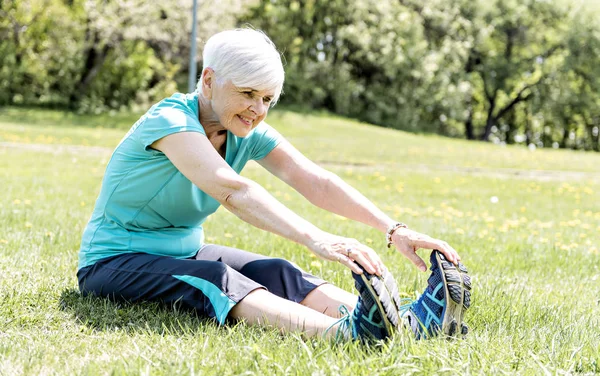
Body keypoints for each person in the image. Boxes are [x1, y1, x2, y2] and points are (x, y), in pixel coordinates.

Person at [77, 28, 471, 342]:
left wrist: (394, 228)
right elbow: (233, 191)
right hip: (113, 263)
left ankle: (403, 323)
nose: (258, 109)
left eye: (267, 98)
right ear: (209, 80)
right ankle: (349, 334)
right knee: (216, 280)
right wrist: (318, 238)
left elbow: (315, 180)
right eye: (247, 93)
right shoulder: (171, 121)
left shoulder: (243, 128)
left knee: (276, 270)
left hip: (186, 250)